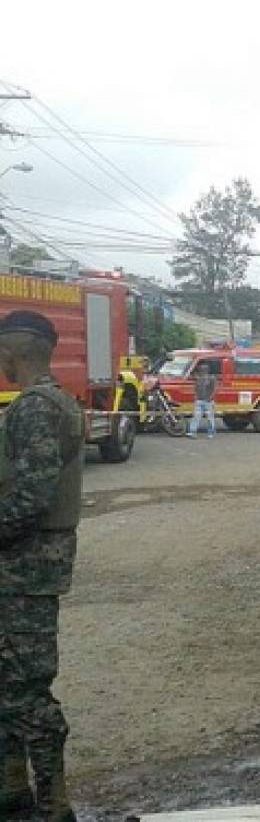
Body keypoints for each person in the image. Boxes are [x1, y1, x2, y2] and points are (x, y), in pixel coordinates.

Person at [0, 311, 85, 822]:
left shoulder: (34, 408)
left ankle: (53, 802)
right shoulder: (58, 402)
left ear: (13, 352)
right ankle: (12, 789)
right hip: (27, 569)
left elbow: (30, 497)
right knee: (8, 681)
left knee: (25, 688)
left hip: (22, 571)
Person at [187, 361, 218, 439]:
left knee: (209, 418)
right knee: (196, 416)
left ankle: (211, 433)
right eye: (201, 369)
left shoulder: (211, 378)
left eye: (203, 369)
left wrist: (210, 397)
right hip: (199, 401)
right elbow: (196, 388)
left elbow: (214, 389)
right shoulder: (198, 378)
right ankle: (192, 432)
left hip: (208, 402)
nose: (202, 370)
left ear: (207, 370)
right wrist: (196, 396)